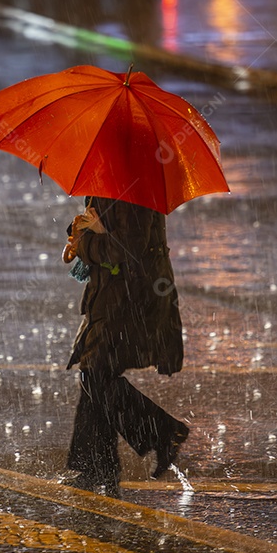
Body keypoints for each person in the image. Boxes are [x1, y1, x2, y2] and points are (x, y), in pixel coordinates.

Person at [59, 195, 190, 495]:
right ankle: (97, 465)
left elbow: (127, 246)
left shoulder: (130, 190)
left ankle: (162, 433)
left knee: (95, 373)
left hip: (132, 299)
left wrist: (87, 246)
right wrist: (81, 231)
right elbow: (107, 226)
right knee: (94, 373)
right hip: (113, 295)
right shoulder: (111, 182)